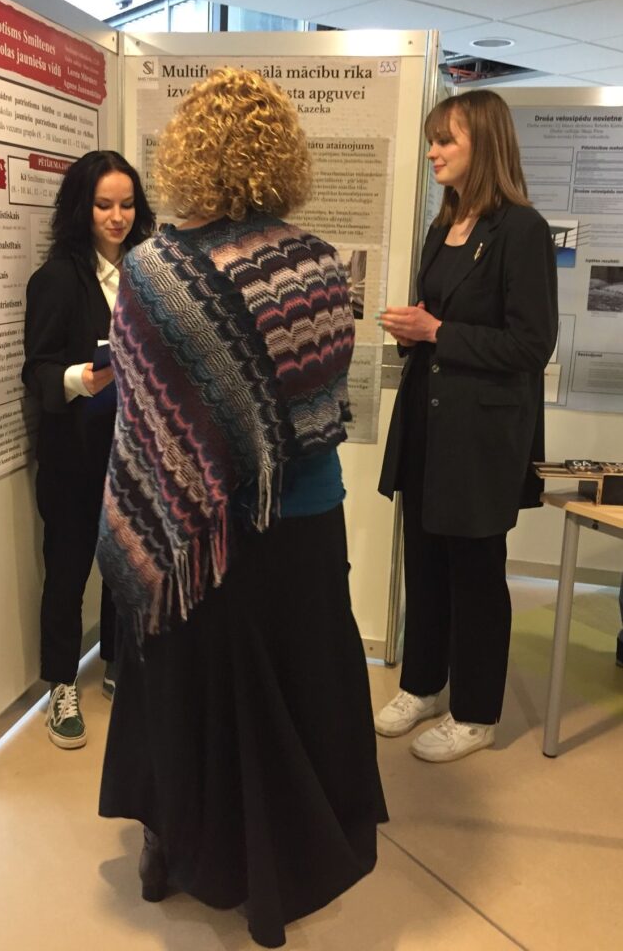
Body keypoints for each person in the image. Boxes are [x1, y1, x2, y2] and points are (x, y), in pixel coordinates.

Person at [97, 68, 387, 948]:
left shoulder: (150, 271)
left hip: (192, 534)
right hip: (300, 519)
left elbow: (141, 414)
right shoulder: (319, 263)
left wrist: (200, 458)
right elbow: (322, 394)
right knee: (300, 689)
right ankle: (291, 863)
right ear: (282, 155)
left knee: (185, 689)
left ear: (187, 153)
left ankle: (175, 843)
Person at [374, 90, 559, 763]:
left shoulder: (522, 230)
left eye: (445, 140)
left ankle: (477, 713)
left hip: (481, 437)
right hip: (427, 421)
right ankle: (424, 685)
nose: (432, 152)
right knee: (423, 561)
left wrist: (438, 332)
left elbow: (530, 346)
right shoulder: (443, 226)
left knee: (475, 573)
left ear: (484, 144)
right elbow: (440, 322)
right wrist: (414, 334)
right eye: (432, 140)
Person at [22, 150, 155, 749]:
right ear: (82, 207)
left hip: (133, 452)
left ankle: (119, 664)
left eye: (126, 204)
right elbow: (37, 370)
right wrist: (81, 377)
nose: (117, 217)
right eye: (104, 205)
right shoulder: (56, 280)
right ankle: (60, 683)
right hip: (74, 455)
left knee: (126, 566)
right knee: (69, 570)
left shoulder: (148, 272)